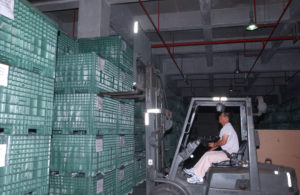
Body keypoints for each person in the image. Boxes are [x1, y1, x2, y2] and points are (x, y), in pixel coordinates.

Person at [184, 112, 239, 184]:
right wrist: (210, 150)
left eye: (221, 116)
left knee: (208, 157)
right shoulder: (226, 128)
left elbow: (223, 142)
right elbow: (219, 143)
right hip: (226, 152)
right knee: (207, 154)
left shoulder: (227, 128)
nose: (219, 117)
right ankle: (194, 170)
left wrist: (214, 144)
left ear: (226, 118)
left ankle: (198, 178)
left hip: (230, 155)